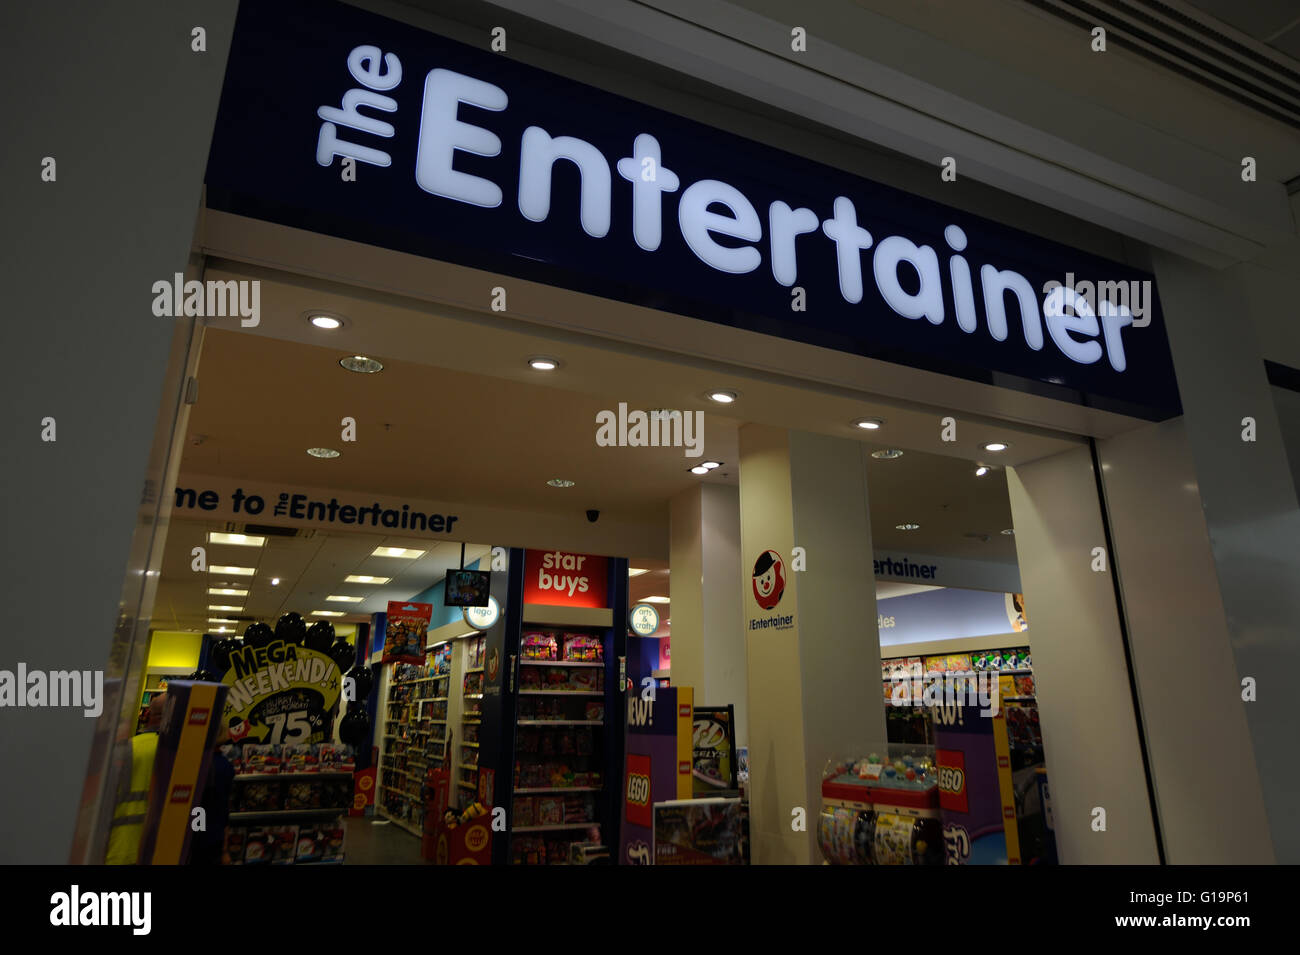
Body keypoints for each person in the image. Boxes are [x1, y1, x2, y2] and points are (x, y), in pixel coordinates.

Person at [105, 692, 166, 865]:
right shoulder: (179, 754)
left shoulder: (126, 749)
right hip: (161, 851)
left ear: (148, 715)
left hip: (120, 849)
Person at [188, 721, 236, 865]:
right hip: (214, 837)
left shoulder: (196, 763)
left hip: (196, 838)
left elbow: (200, 806)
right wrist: (224, 850)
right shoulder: (225, 765)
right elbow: (224, 809)